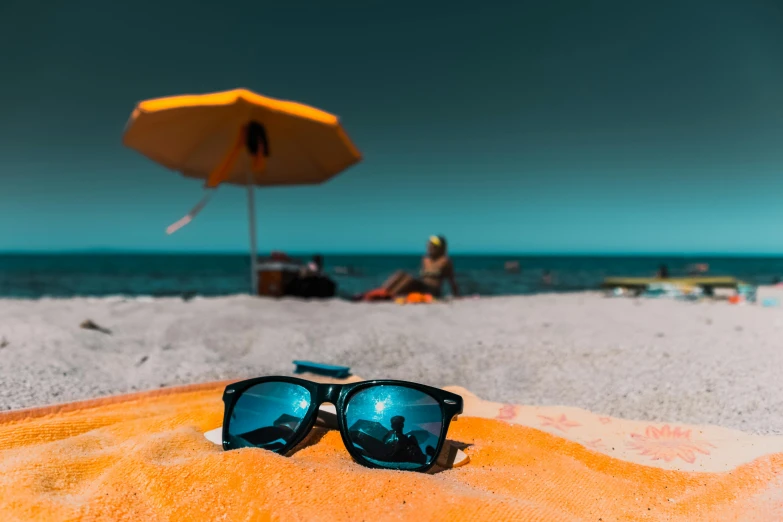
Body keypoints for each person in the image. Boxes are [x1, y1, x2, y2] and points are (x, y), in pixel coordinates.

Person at [380, 236, 459, 298]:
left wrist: (456, 294)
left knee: (408, 279)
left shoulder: (445, 261)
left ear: (440, 248)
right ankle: (382, 291)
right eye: (429, 245)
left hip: (432, 291)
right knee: (401, 273)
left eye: (433, 246)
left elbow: (451, 280)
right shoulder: (425, 259)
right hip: (421, 286)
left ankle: (389, 295)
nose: (430, 248)